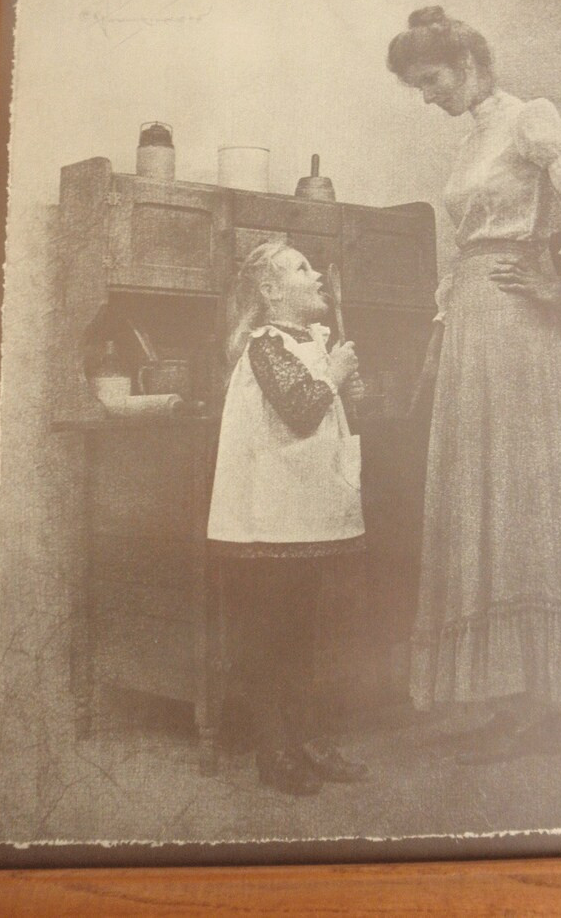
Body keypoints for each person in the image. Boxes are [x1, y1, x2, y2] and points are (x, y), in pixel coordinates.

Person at [387, 6, 561, 762]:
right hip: (471, 321)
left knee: (523, 488)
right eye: (418, 86)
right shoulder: (469, 144)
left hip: (518, 325)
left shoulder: (529, 118)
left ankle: (547, 699)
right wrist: (438, 334)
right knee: (478, 489)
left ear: (468, 66)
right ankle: (507, 691)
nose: (427, 96)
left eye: (431, 81)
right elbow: (459, 253)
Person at [207, 241, 369, 795]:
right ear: (272, 292)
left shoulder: (312, 342)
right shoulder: (265, 345)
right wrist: (334, 371)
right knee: (272, 639)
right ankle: (273, 753)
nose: (318, 272)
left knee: (305, 633)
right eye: (303, 268)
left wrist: (344, 383)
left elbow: (325, 413)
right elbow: (301, 410)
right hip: (269, 519)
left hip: (306, 513)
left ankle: (307, 741)